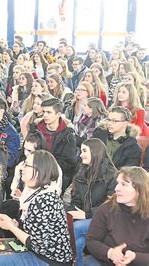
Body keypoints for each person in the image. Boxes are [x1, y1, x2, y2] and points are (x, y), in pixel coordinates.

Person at [0, 150, 73, 265]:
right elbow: (34, 231)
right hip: (39, 253)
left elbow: (38, 246)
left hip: (50, 260)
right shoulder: (35, 192)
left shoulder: (44, 200)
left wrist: (11, 228)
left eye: (26, 165)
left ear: (39, 171)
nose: (22, 168)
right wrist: (14, 224)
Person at [67, 138, 117, 266]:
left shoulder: (112, 175)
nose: (80, 154)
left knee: (75, 227)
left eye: (84, 151)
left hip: (107, 219)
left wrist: (87, 214)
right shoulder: (81, 172)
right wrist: (72, 211)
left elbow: (111, 203)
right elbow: (77, 199)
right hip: (87, 217)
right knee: (77, 241)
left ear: (95, 152)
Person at [86, 166, 149, 265]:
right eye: (118, 183)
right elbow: (91, 241)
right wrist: (110, 253)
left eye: (123, 184)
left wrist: (134, 257)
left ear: (139, 190)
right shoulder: (106, 209)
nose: (116, 188)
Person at [36, 98, 77, 193]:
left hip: (56, 173)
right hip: (34, 168)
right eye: (44, 112)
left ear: (58, 114)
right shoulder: (36, 130)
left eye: (49, 112)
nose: (45, 115)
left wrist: (47, 168)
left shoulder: (68, 135)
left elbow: (69, 162)